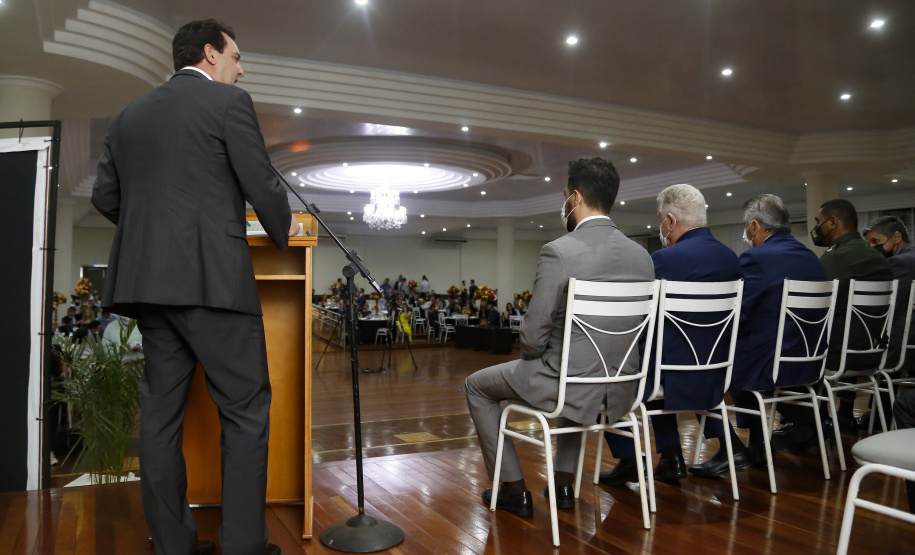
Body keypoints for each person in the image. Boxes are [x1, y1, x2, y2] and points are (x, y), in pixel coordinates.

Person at [91, 19, 297, 555]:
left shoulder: (126, 116)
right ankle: (244, 545)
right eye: (236, 56)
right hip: (215, 283)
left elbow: (106, 197)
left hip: (150, 289)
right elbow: (260, 180)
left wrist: (154, 234)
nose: (241, 67)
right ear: (210, 53)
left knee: (159, 419)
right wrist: (284, 228)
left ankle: (173, 545)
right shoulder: (229, 104)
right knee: (246, 411)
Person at [464, 157, 653, 515]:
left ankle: (514, 490)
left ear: (576, 197)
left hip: (565, 382)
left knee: (476, 386)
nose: (564, 202)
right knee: (577, 373)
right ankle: (563, 486)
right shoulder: (643, 257)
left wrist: (539, 356)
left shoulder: (559, 251)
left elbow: (532, 337)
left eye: (565, 195)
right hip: (623, 387)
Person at [600, 183, 742, 487]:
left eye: (659, 220)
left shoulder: (664, 260)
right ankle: (673, 456)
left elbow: (639, 316)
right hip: (716, 369)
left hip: (669, 373)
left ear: (671, 221)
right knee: (657, 356)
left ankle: (637, 457)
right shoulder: (732, 259)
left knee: (614, 369)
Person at [688, 194, 829, 477]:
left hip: (773, 367)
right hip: (812, 364)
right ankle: (761, 442)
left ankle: (733, 448)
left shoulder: (757, 257)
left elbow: (737, 312)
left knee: (702, 365)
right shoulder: (812, 259)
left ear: (755, 226)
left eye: (745, 227)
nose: (746, 234)